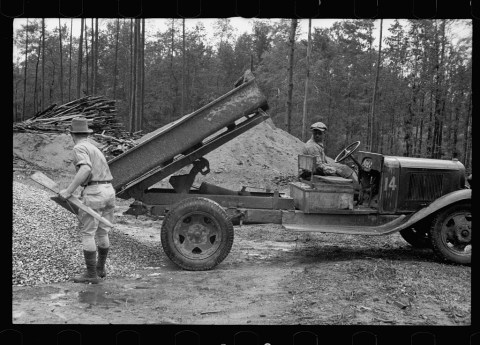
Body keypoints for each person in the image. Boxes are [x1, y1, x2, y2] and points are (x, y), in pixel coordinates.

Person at [59, 117, 115, 284]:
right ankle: (100, 269)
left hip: (95, 192)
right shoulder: (94, 148)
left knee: (88, 233)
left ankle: (91, 274)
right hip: (109, 190)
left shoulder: (79, 147)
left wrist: (69, 191)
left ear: (71, 134)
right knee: (103, 232)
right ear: (86, 132)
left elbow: (85, 169)